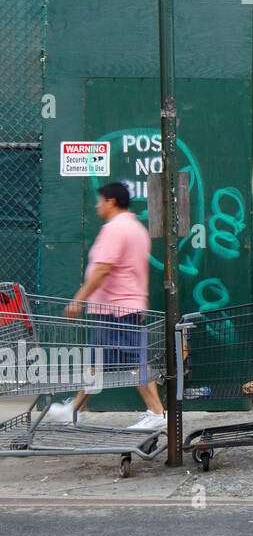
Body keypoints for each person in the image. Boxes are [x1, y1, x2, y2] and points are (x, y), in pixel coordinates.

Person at [45, 182, 166, 429]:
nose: (97, 205)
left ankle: (157, 412)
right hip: (120, 307)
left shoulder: (115, 229)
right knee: (97, 362)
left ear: (111, 202)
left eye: (100, 201)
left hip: (117, 309)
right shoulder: (135, 228)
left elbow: (102, 268)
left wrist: (78, 299)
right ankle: (76, 409)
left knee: (135, 362)